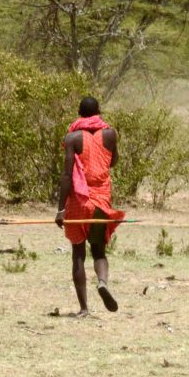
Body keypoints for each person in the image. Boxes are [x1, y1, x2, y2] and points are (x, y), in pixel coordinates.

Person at [55, 96, 125, 316]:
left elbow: (67, 175)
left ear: (79, 112)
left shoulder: (72, 137)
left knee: (78, 254)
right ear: (99, 112)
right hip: (100, 201)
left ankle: (84, 308)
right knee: (99, 251)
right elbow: (113, 161)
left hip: (78, 201)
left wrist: (60, 209)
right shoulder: (110, 134)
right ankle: (102, 281)